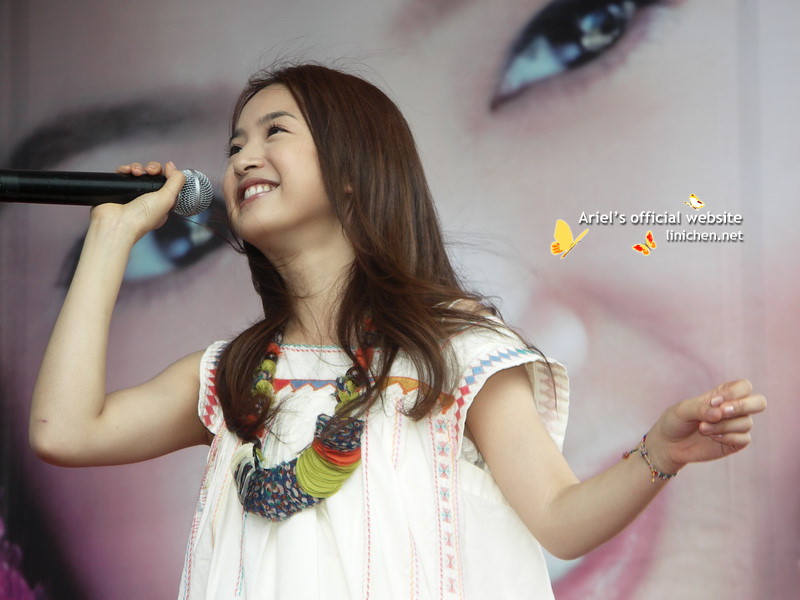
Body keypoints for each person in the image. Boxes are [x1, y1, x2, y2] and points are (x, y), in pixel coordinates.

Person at [27, 63, 766, 599]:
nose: (243, 156)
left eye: (274, 132)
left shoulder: (458, 354)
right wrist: (112, 237)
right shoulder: (233, 375)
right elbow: (65, 431)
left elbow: (560, 520)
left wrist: (660, 452)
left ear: (353, 171)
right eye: (233, 146)